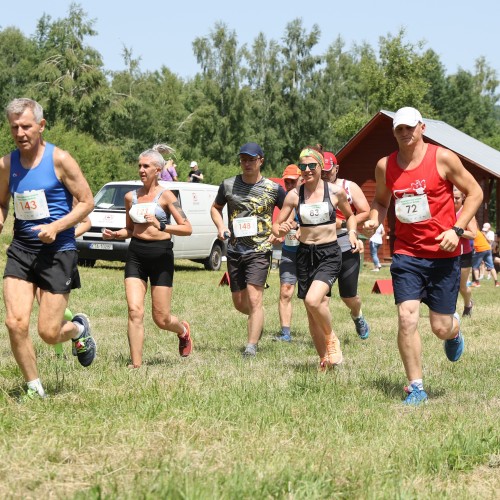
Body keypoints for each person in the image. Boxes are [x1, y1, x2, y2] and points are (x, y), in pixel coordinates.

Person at [363, 106, 483, 405]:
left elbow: (475, 192)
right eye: (399, 129)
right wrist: (373, 219)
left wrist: (456, 229)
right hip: (406, 253)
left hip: (443, 255)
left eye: (409, 128)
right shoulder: (385, 166)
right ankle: (416, 386)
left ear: (422, 128)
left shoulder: (442, 158)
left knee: (440, 327)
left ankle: (454, 332)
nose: (405, 133)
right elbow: (380, 201)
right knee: (406, 317)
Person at [0, 98, 96, 400]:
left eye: (26, 126)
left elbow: (87, 201)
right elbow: (1, 202)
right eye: (14, 126)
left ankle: (78, 330)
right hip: (22, 249)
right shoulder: (6, 164)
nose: (20, 132)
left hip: (58, 252)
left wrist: (56, 227)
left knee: (48, 332)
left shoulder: (60, 160)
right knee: (15, 322)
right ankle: (34, 387)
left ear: (40, 126)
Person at [102, 149, 193, 368]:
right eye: (139, 166)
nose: (141, 170)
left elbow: (187, 228)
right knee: (134, 310)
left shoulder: (167, 196)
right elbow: (131, 229)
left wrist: (161, 225)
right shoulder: (130, 197)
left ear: (158, 170)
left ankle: (183, 330)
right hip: (136, 255)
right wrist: (116, 234)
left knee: (161, 319)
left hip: (161, 255)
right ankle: (136, 365)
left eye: (146, 166)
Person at [273, 146, 359, 370]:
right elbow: (277, 225)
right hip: (304, 254)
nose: (308, 170)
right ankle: (324, 360)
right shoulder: (294, 195)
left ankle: (331, 338)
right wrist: (282, 228)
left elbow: (350, 217)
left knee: (313, 300)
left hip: (329, 253)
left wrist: (351, 233)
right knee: (311, 313)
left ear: (321, 167)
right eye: (303, 166)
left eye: (312, 165)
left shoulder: (335, 192)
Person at [211, 142, 286, 357]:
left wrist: (279, 227)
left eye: (251, 159)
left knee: (254, 299)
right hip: (235, 250)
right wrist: (221, 226)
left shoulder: (273, 188)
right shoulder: (228, 185)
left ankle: (251, 346)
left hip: (260, 250)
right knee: (239, 302)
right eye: (243, 159)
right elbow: (215, 208)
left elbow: (291, 207)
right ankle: (257, 317)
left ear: (261, 160)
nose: (247, 163)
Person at [321, 151, 371, 340]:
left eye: (328, 171)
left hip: (345, 246)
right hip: (322, 247)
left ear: (336, 169)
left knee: (348, 296)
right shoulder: (312, 189)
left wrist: (343, 224)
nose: (325, 175)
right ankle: (328, 337)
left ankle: (357, 315)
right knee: (322, 296)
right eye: (322, 171)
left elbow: (365, 211)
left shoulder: (348, 187)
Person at [275, 164, 301, 342]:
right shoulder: (285, 201)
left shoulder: (310, 197)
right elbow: (277, 225)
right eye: (287, 182)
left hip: (310, 253)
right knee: (285, 291)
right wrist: (277, 232)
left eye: (293, 181)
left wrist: (297, 225)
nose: (290, 185)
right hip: (289, 251)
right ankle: (285, 333)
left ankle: (322, 332)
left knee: (314, 298)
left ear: (302, 179)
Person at [453, 187, 478, 316]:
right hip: (448, 253)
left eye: (456, 198)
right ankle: (448, 311)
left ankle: (468, 304)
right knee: (449, 283)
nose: (454, 200)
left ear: (463, 198)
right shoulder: (446, 212)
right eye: (451, 198)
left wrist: (458, 231)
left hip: (464, 255)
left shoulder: (467, 213)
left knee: (462, 286)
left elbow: (473, 234)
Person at [471, 222, 499, 287]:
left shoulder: (473, 233)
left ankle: (477, 283)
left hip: (480, 250)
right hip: (488, 249)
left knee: (475, 267)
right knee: (491, 266)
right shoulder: (480, 232)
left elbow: (472, 244)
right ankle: (496, 282)